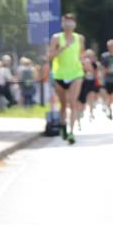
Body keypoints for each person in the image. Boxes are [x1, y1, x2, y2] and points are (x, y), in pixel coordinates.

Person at [47, 12, 85, 144]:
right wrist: (62, 49)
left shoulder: (79, 38)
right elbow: (50, 56)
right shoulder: (56, 38)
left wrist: (86, 63)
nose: (68, 25)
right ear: (62, 24)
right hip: (59, 74)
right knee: (63, 104)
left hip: (76, 73)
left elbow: (81, 55)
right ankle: (63, 125)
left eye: (71, 22)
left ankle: (71, 133)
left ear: (74, 24)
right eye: (66, 22)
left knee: (73, 102)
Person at [78, 49, 100, 123]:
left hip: (92, 82)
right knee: (83, 98)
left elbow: (96, 74)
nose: (90, 58)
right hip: (84, 82)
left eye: (91, 56)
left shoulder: (94, 64)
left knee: (91, 97)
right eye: (88, 56)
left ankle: (91, 112)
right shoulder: (82, 63)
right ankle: (82, 110)